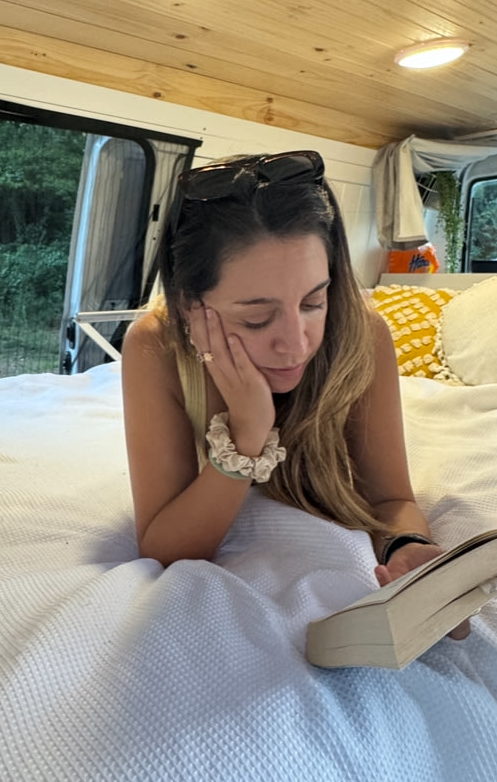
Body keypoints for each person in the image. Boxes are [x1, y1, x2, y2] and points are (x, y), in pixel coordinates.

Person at [122, 150, 468, 632]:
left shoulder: (363, 333)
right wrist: (247, 436)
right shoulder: (156, 346)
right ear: (189, 306)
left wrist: (405, 546)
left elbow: (390, 499)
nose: (296, 344)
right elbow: (164, 549)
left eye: (313, 302)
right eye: (257, 318)